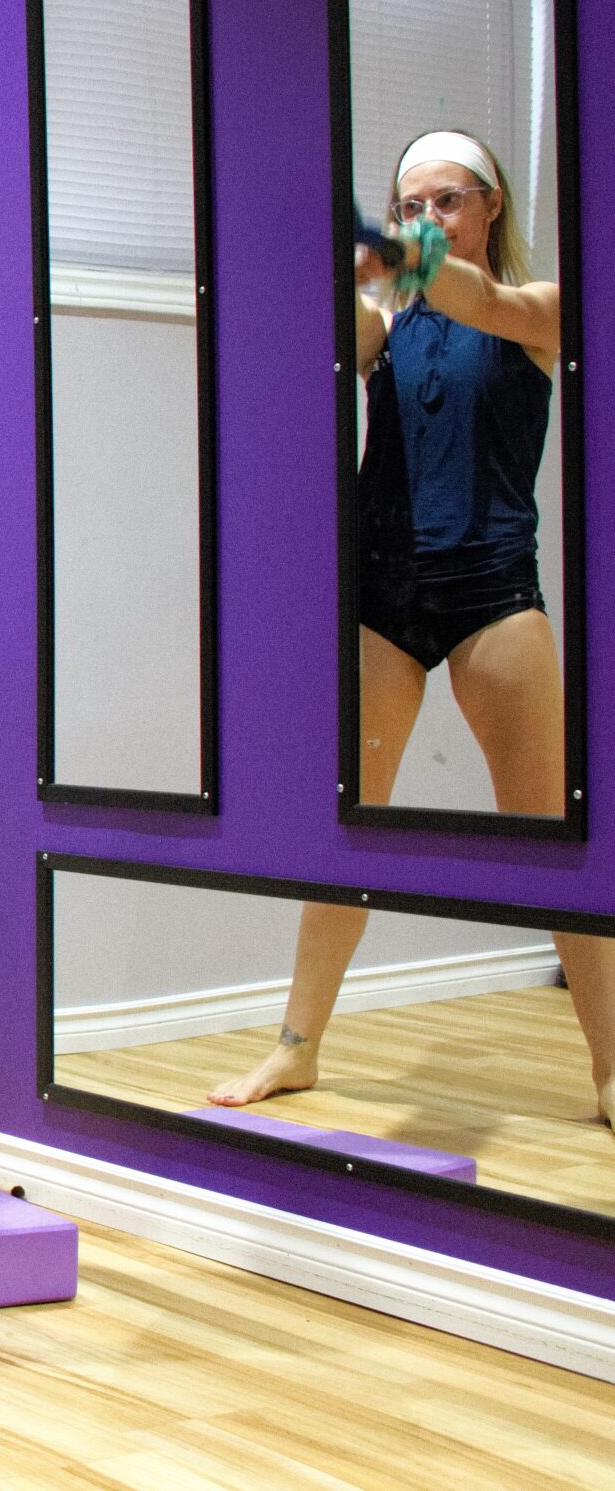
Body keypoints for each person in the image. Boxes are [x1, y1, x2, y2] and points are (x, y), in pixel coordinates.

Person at [210, 129, 613, 1131]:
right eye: (407, 205)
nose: (425, 218)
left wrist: (408, 262)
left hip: (492, 597)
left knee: (551, 839)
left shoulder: (538, 312)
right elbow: (331, 329)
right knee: (345, 828)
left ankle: (610, 1065)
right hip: (381, 598)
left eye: (443, 200)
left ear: (488, 205)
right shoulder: (385, 327)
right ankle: (295, 1049)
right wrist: (337, 263)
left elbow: (473, 297)